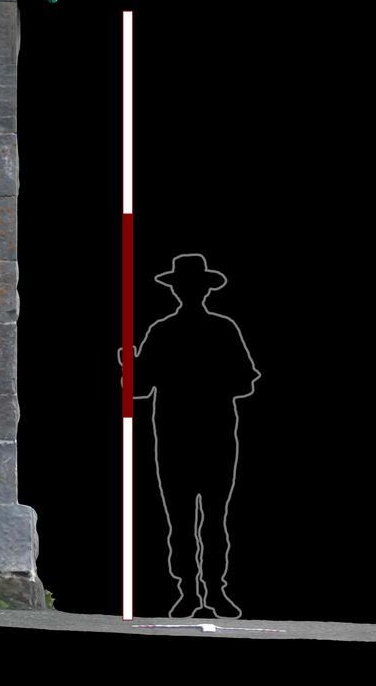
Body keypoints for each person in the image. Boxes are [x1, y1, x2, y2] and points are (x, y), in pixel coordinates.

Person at [123, 253, 260, 617]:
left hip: (191, 434)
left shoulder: (177, 330)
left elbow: (138, 389)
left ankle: (204, 591)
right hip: (191, 434)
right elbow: (244, 382)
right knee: (198, 519)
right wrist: (133, 366)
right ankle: (199, 591)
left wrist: (132, 365)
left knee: (199, 518)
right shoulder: (211, 328)